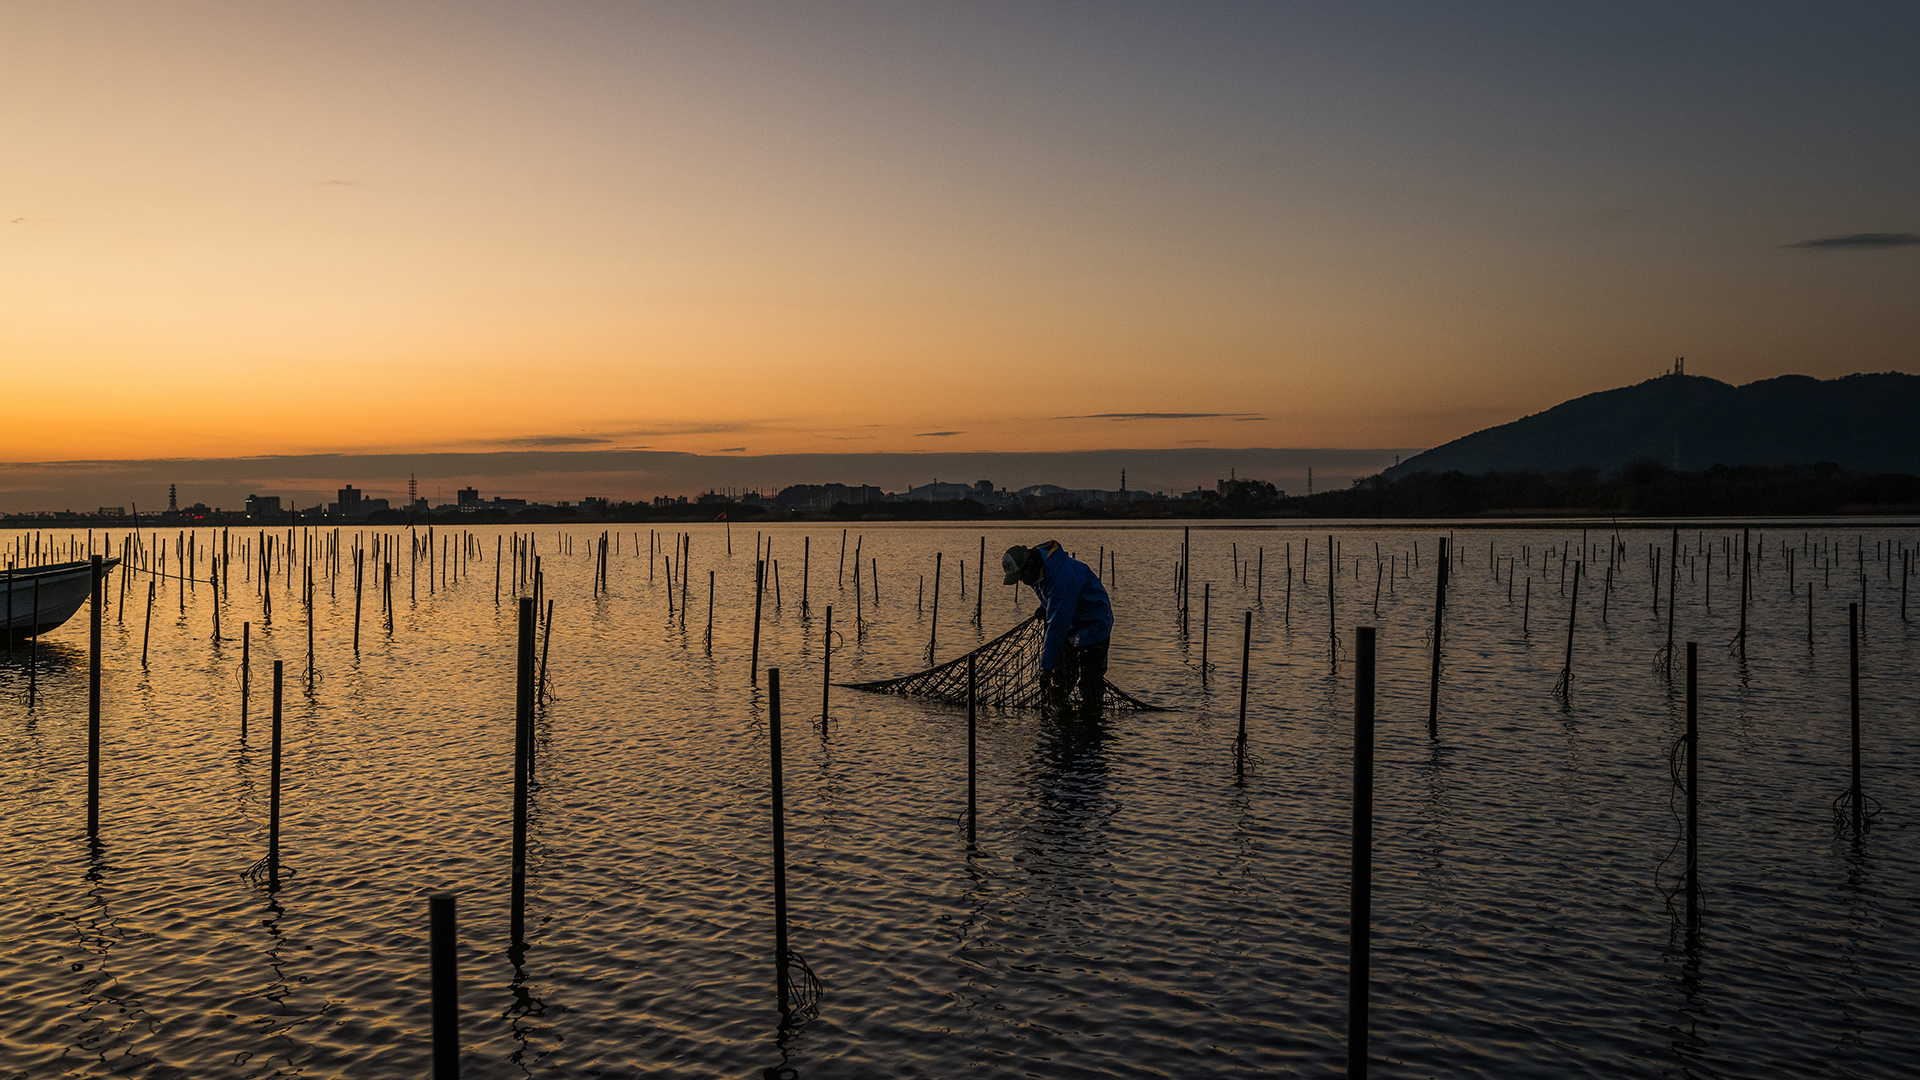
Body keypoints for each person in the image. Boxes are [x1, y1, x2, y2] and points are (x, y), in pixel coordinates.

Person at [1003, 541, 1113, 720]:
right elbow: (1051, 595)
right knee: (1062, 680)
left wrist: (1046, 668)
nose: (1021, 581)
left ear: (1029, 565)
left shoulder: (1061, 577)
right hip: (1070, 623)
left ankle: (1092, 726)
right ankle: (1064, 724)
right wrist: (1045, 606)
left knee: (1090, 684)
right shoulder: (1039, 565)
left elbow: (1057, 626)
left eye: (1021, 576)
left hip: (1094, 624)